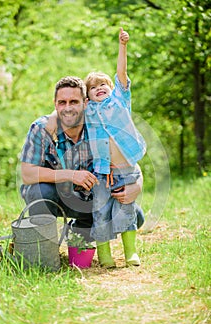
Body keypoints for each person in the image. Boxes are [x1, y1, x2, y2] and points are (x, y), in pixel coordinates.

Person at [20, 75, 144, 262]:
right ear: (55, 104)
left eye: (74, 102)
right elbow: (27, 174)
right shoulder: (42, 128)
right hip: (57, 196)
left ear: (86, 103)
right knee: (39, 190)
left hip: (92, 199)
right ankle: (44, 254)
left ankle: (79, 229)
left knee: (136, 216)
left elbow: (127, 161)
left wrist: (138, 186)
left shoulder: (98, 124)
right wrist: (70, 175)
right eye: (62, 102)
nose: (68, 108)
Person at [83, 28, 146, 267]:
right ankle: (105, 255)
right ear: (88, 96)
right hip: (102, 171)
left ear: (112, 88)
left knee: (125, 211)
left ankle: (130, 252)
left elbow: (121, 73)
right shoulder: (88, 110)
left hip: (126, 167)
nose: (100, 87)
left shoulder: (119, 101)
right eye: (94, 87)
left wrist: (123, 46)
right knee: (100, 212)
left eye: (104, 84)